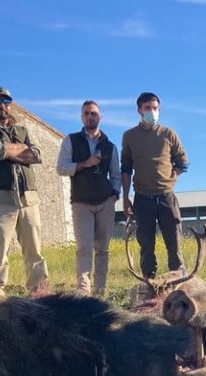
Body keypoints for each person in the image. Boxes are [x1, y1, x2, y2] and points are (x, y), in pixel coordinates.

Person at [0, 86, 49, 294]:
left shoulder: (22, 130)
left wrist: (7, 151)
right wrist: (22, 150)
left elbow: (38, 155)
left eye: (6, 101)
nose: (3, 106)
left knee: (34, 251)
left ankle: (39, 291)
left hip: (28, 198)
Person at [121, 92, 189, 278]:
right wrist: (126, 197)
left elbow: (183, 162)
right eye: (147, 108)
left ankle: (179, 282)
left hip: (166, 196)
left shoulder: (168, 134)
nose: (152, 111)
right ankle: (150, 284)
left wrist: (172, 177)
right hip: (142, 198)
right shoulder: (129, 137)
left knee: (174, 244)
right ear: (139, 110)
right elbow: (126, 169)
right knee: (146, 245)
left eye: (155, 108)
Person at [56, 100, 121, 295]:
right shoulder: (71, 140)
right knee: (84, 248)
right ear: (81, 117)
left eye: (93, 113)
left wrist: (114, 195)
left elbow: (115, 174)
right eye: (86, 113)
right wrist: (85, 163)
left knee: (103, 249)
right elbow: (61, 168)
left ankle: (100, 290)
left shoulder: (110, 146)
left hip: (105, 202)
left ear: (100, 117)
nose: (89, 116)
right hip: (81, 202)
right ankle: (84, 291)